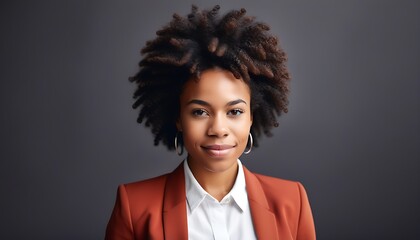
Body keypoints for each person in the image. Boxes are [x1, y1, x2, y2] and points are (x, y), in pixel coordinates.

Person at [105, 5, 316, 240]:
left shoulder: (291, 201)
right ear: (178, 118)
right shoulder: (134, 208)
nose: (218, 129)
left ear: (251, 117)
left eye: (234, 111)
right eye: (200, 112)